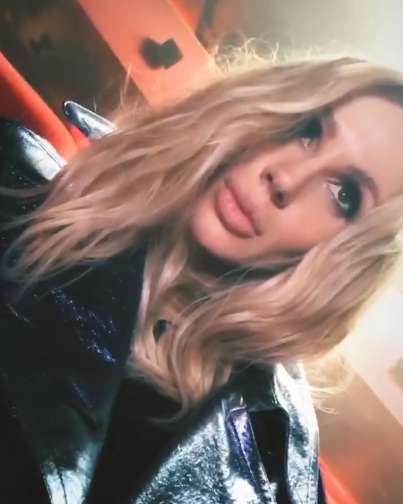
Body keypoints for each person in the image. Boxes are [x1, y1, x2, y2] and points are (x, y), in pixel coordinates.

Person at [1, 56, 403, 504]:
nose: (286, 178)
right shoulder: (12, 181)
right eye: (307, 129)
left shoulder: (274, 477)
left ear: (349, 261)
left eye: (344, 194)